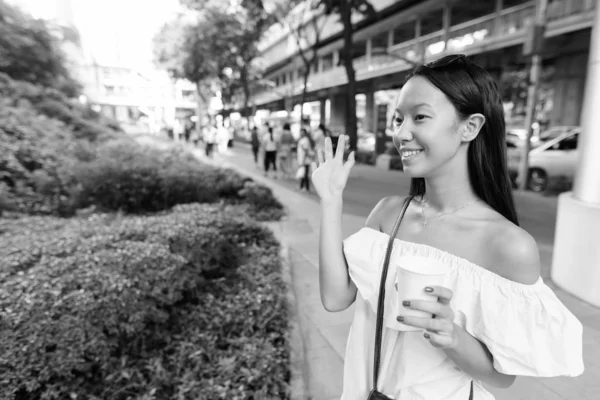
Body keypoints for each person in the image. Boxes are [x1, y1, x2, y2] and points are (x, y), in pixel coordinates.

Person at [311, 54, 584, 399]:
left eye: (420, 117)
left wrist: (450, 335)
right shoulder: (388, 214)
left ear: (470, 126)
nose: (401, 133)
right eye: (398, 119)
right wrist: (331, 200)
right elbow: (336, 299)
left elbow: (502, 378)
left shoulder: (508, 244)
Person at [297, 128, 316, 192]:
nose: (301, 133)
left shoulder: (305, 140)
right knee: (304, 173)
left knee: (305, 174)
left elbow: (306, 150)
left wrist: (303, 160)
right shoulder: (303, 139)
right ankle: (302, 187)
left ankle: (306, 187)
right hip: (303, 159)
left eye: (302, 132)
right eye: (300, 132)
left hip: (305, 160)